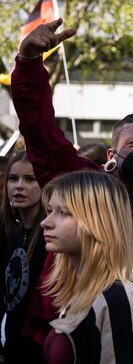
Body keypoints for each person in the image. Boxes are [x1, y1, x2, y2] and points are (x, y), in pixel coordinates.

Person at [12, 23, 133, 364]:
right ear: (113, 156)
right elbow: (40, 134)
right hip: (72, 333)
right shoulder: (83, 184)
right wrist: (28, 64)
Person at [40, 171, 133, 363]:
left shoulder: (118, 299)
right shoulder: (81, 289)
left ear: (98, 221)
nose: (45, 222)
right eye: (50, 210)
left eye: (64, 213)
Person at [0, 153, 47, 363]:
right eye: (13, 178)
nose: (19, 186)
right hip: (12, 349)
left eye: (30, 179)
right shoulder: (16, 234)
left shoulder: (51, 238)